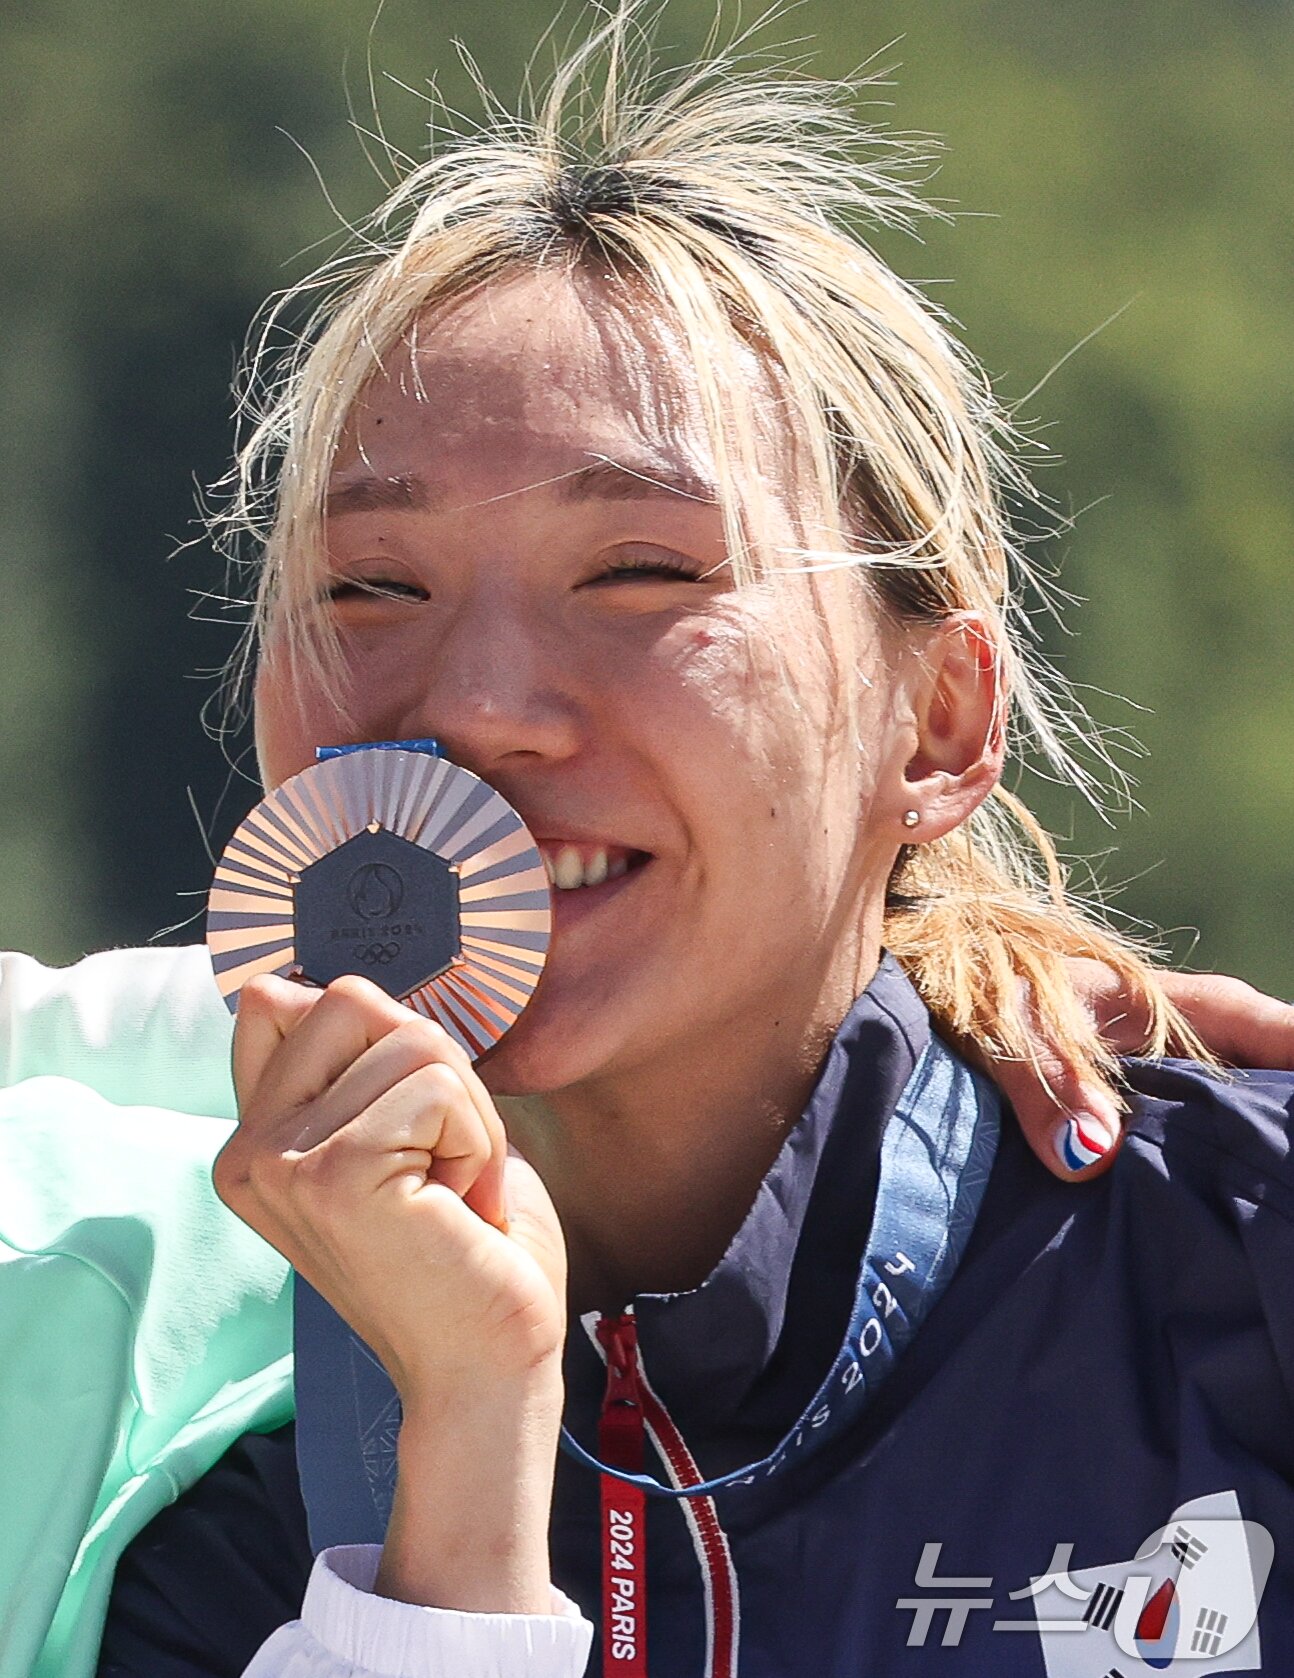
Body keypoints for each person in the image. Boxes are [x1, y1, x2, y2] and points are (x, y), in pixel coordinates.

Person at [3, 10, 1292, 1677]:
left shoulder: (1230, 1262)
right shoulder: (137, 1427)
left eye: (639, 573)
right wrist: (459, 1469)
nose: (472, 706)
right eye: (367, 587)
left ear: (941, 723)